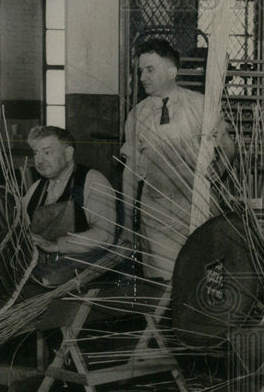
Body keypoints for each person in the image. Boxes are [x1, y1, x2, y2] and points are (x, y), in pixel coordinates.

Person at [120, 38, 236, 281]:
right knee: (165, 284)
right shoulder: (137, 114)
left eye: (150, 69)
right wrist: (127, 224)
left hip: (198, 207)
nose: (142, 77)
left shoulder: (201, 105)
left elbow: (228, 147)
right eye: (141, 70)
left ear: (171, 72)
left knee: (202, 278)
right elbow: (130, 171)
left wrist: (220, 168)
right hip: (156, 213)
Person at [23, 125, 119, 287]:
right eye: (35, 153)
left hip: (83, 264)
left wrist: (57, 245)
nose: (39, 161)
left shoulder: (92, 181)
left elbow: (105, 235)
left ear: (68, 153)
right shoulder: (36, 188)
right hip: (44, 263)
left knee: (45, 282)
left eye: (47, 152)